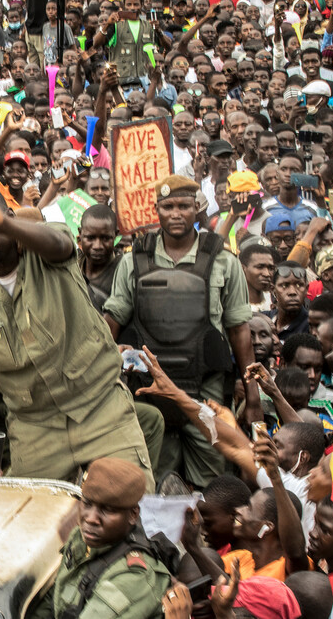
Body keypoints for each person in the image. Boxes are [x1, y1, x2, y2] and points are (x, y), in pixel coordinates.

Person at [0, 169, 154, 492]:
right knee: (25, 525)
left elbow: (58, 243)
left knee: (129, 506)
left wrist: (2, 223)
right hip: (34, 426)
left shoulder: (45, 247)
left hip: (101, 408)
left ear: (10, 219)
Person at [105, 175, 259, 487]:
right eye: (168, 206)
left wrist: (253, 394)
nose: (176, 214)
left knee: (213, 481)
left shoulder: (223, 260)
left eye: (184, 206)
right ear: (156, 210)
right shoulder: (133, 259)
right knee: (151, 483)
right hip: (148, 388)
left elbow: (239, 332)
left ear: (197, 207)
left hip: (206, 390)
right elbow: (112, 321)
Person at [51, 457, 173, 617]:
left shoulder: (133, 577)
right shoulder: (81, 539)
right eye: (87, 504)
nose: (91, 518)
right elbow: (53, 601)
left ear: (133, 514)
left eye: (107, 510)